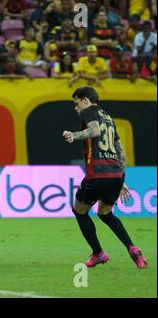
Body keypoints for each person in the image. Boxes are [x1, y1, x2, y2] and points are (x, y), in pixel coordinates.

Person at [62, 86, 148, 269]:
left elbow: (94, 131)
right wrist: (122, 179)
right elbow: (121, 151)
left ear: (85, 100)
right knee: (105, 213)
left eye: (76, 103)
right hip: (116, 173)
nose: (76, 109)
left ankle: (98, 253)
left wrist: (74, 135)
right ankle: (132, 248)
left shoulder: (88, 112)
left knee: (79, 211)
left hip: (98, 172)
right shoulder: (108, 117)